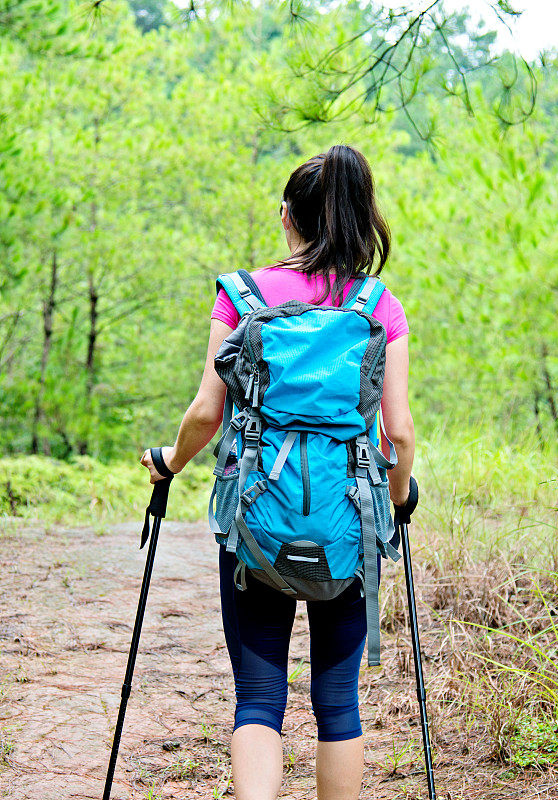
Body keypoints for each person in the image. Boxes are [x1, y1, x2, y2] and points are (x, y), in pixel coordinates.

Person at [140, 144, 415, 800]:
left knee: (259, 699)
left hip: (256, 521)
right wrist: (397, 503)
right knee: (337, 703)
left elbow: (207, 411)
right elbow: (399, 432)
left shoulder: (242, 294)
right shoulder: (379, 305)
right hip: (350, 520)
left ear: (288, 218)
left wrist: (168, 463)